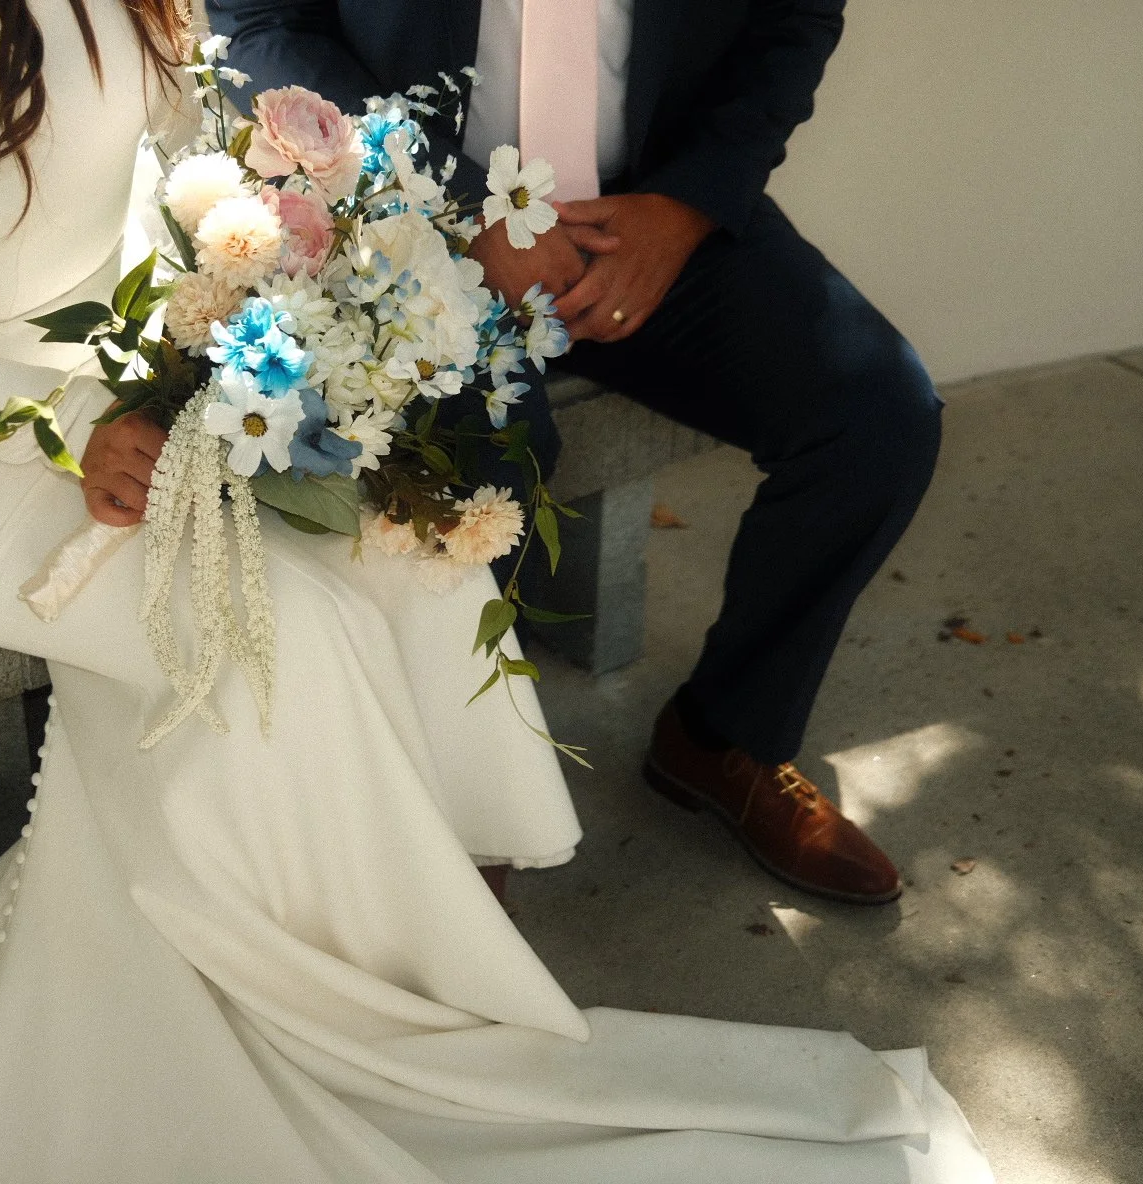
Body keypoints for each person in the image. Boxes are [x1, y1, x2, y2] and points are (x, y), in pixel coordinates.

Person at [0, 1, 991, 1180]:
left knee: (405, 550)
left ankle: (425, 919)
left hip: (122, 358)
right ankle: (328, 1001)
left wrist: (235, 312)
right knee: (284, 622)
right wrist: (94, 420)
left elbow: (166, 156)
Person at [209, 0, 942, 906]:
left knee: (879, 419)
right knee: (488, 458)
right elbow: (258, 19)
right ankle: (472, 801)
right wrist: (456, 204)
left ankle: (724, 737)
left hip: (649, 206)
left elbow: (793, 17)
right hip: (414, 216)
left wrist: (683, 209)